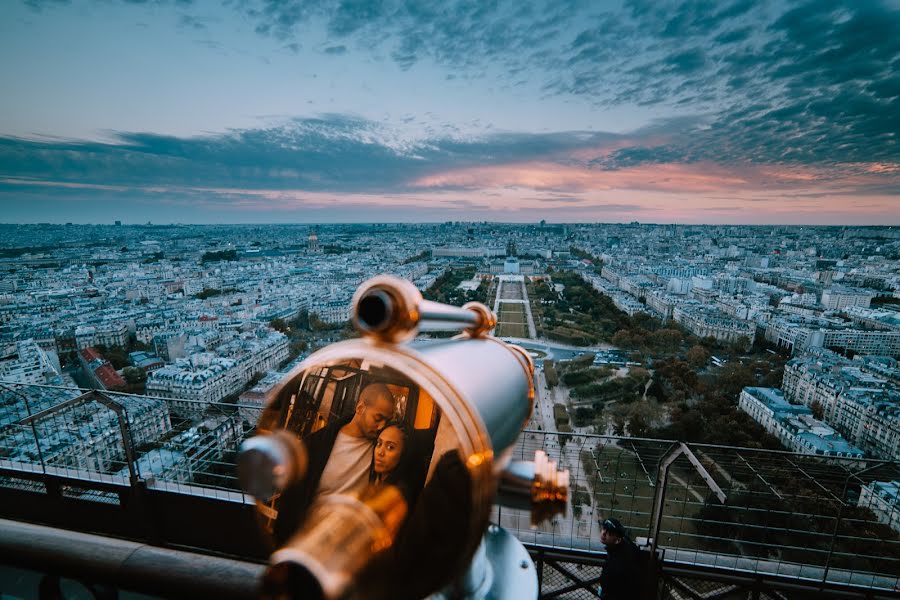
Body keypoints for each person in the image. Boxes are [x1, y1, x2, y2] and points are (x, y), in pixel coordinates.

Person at [272, 382, 396, 544]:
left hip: (348, 547)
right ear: (360, 408)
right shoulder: (315, 445)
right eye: (378, 418)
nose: (382, 426)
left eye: (386, 421)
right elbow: (290, 503)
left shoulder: (379, 446)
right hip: (308, 540)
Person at [597, 517, 642, 600]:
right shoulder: (625, 546)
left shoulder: (616, 562)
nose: (603, 533)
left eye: (609, 533)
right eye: (604, 529)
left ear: (617, 540)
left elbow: (607, 586)